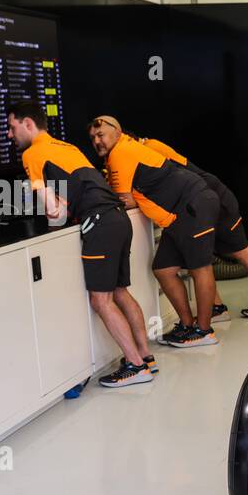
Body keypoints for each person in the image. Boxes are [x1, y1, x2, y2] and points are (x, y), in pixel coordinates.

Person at [6, 101, 154, 388]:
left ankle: (135, 366)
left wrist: (52, 232)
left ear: (27, 124)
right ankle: (146, 358)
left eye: (12, 127)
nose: (10, 135)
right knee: (120, 292)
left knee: (101, 300)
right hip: (118, 218)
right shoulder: (67, 148)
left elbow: (54, 210)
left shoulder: (33, 154)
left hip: (99, 222)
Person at [87, 115, 219, 348]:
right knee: (164, 269)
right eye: (93, 138)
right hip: (177, 215)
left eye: (101, 135)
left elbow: (124, 200)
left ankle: (204, 331)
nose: (97, 141)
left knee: (200, 267)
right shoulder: (123, 150)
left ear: (118, 132)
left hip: (193, 203)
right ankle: (188, 326)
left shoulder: (120, 152)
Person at [134, 135, 248, 320]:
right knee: (199, 259)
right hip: (197, 204)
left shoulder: (150, 147)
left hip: (212, 196)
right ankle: (216, 307)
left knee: (241, 250)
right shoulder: (140, 155)